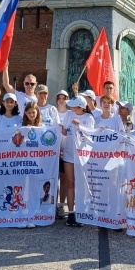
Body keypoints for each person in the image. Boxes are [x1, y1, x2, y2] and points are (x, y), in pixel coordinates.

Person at [62, 95, 95, 227]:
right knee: (70, 182)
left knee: (81, 184)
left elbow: (90, 136)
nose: (71, 107)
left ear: (80, 107)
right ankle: (71, 213)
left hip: (83, 155)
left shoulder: (89, 118)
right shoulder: (69, 114)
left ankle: (82, 211)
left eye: (73, 105)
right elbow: (64, 131)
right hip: (69, 153)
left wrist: (79, 126)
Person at [54, 90, 70, 219]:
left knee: (64, 179)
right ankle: (53, 204)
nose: (61, 100)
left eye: (63, 98)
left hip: (66, 150)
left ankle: (61, 204)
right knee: (55, 179)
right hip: (54, 150)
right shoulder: (53, 112)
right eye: (59, 98)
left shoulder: (70, 114)